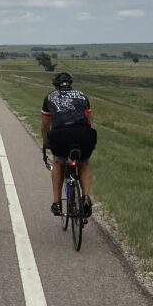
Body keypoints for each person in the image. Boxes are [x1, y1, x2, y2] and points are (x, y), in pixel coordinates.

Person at [40, 71, 97, 218]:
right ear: (71, 84)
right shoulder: (83, 96)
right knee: (83, 164)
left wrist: (46, 144)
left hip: (61, 136)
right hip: (84, 133)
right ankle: (85, 197)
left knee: (58, 163)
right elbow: (88, 119)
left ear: (56, 85)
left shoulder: (49, 97)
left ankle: (57, 203)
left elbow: (45, 125)